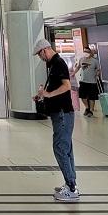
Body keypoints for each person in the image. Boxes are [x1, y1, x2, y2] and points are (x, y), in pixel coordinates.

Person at [32, 37, 79, 202]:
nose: (40, 58)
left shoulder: (58, 63)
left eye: (40, 55)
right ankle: (70, 183)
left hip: (62, 113)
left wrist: (49, 94)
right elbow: (55, 86)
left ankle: (71, 188)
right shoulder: (53, 64)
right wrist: (42, 95)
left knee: (60, 148)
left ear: (45, 50)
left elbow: (66, 86)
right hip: (60, 113)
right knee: (66, 149)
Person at [77, 47, 102, 117]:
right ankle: (87, 108)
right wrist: (73, 73)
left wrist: (97, 74)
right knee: (82, 96)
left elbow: (98, 69)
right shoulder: (81, 59)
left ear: (90, 53)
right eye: (85, 51)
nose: (86, 53)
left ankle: (91, 110)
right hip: (83, 81)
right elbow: (78, 67)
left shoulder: (95, 61)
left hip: (92, 82)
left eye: (87, 52)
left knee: (92, 97)